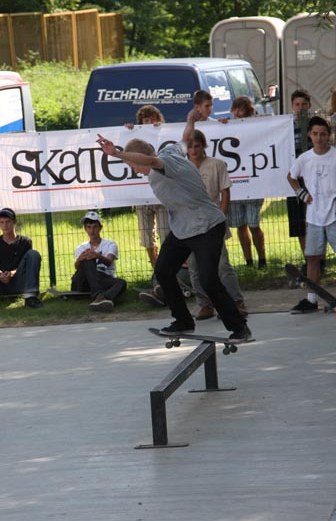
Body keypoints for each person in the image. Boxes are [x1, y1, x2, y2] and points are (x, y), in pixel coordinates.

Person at [97, 110, 252, 340]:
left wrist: (118, 154)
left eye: (133, 165)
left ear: (137, 158)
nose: (135, 170)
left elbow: (150, 161)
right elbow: (186, 140)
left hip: (207, 225)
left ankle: (239, 328)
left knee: (209, 280)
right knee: (163, 271)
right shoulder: (171, 150)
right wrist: (190, 121)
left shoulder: (163, 162)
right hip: (183, 228)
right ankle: (183, 321)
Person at [187, 129, 247, 320]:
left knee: (222, 265)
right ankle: (205, 304)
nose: (194, 150)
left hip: (213, 222)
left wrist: (221, 218)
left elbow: (225, 193)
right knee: (194, 267)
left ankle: (237, 302)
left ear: (203, 146)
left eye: (197, 146)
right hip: (189, 225)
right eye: (190, 146)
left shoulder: (217, 165)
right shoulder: (182, 168)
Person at [287, 116, 336, 313]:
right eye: (315, 134)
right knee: (313, 257)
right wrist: (301, 193)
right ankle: (312, 298)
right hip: (314, 216)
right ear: (309, 135)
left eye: (323, 134)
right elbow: (291, 176)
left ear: (329, 136)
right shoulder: (305, 158)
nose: (319, 138)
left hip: (334, 214)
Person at [126, 105, 169, 269]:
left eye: (153, 119)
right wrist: (128, 130)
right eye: (146, 120)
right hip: (142, 196)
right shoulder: (134, 137)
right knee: (146, 237)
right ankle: (156, 268)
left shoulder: (165, 134)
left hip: (162, 195)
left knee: (166, 234)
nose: (150, 123)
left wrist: (162, 129)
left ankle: (168, 268)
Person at [227, 96, 267, 269]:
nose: (237, 114)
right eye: (235, 110)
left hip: (253, 184)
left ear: (248, 111)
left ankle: (262, 259)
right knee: (240, 225)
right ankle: (249, 261)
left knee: (253, 224)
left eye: (241, 110)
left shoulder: (256, 126)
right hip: (235, 186)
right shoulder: (227, 127)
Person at [71, 211, 126, 313]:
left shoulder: (110, 244)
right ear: (85, 228)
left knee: (122, 283)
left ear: (100, 227)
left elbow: (109, 262)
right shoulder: (81, 247)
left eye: (95, 227)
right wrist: (80, 258)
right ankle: (99, 295)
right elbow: (77, 267)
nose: (92, 231)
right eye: (89, 227)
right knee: (88, 259)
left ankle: (102, 299)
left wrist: (97, 255)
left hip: (102, 278)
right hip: (84, 281)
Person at [286, 90, 313, 263]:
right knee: (299, 223)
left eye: (304, 104)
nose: (300, 108)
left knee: (316, 221)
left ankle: (320, 259)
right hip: (294, 178)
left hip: (314, 178)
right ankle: (307, 259)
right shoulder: (285, 126)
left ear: (309, 106)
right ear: (292, 106)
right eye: (297, 104)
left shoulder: (316, 126)